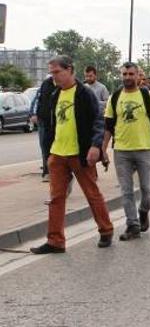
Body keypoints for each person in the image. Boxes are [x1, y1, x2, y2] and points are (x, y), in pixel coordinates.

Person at [30, 56, 114, 254]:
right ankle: (55, 241)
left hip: (80, 154)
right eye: (51, 73)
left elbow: (98, 121)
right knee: (56, 198)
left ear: (70, 70)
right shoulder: (54, 94)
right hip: (58, 155)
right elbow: (50, 124)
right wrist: (49, 154)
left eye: (57, 72)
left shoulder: (85, 93)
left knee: (92, 194)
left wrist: (96, 146)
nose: (54, 76)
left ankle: (106, 230)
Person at [102, 62, 150, 241]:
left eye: (131, 74)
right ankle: (132, 225)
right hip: (122, 151)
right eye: (124, 74)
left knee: (147, 190)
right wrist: (103, 149)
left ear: (138, 75)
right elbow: (108, 127)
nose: (127, 77)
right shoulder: (114, 97)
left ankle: (143, 211)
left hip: (144, 149)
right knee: (126, 191)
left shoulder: (148, 96)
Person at [30, 75, 55, 182]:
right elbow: (36, 101)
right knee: (45, 146)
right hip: (44, 122)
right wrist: (33, 114)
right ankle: (47, 171)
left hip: (56, 123)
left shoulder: (64, 86)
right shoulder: (45, 85)